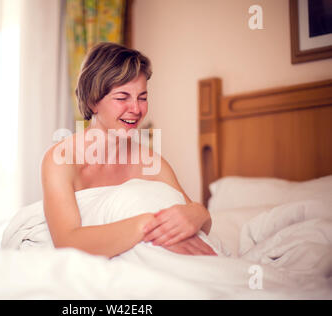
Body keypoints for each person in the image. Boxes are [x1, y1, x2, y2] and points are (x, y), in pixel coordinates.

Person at [41, 42, 216, 259]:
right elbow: (67, 242)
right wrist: (145, 224)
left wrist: (196, 212)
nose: (136, 109)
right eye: (122, 97)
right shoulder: (61, 160)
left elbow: (202, 222)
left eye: (142, 97)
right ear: (93, 101)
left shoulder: (151, 162)